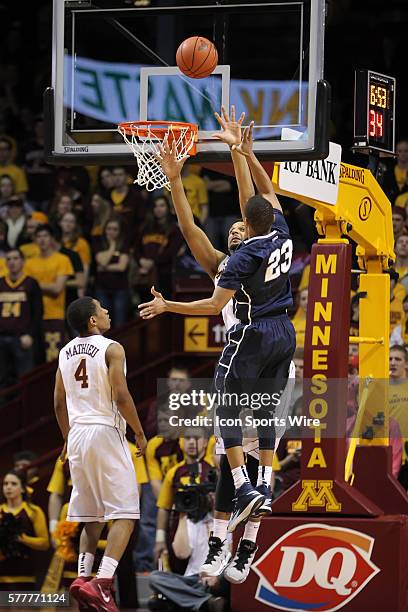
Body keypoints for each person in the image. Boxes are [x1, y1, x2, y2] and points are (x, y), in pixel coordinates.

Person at [140, 107, 295, 581]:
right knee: (233, 462)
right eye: (228, 231)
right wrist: (179, 182)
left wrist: (238, 153)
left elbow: (254, 198)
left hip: (256, 354)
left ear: (250, 231)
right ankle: (227, 544)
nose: (232, 232)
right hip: (271, 349)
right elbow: (190, 229)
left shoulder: (245, 259)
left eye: (237, 229)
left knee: (239, 455)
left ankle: (235, 546)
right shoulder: (228, 260)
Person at [53, 296, 147, 611]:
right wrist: (138, 430)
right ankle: (103, 583)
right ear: (93, 321)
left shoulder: (64, 353)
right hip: (105, 430)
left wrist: (67, 438)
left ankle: (82, 578)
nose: (107, 311)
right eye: (102, 308)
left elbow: (57, 402)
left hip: (77, 435)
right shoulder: (112, 348)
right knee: (126, 513)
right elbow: (121, 394)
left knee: (91, 515)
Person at [25, 224, 73, 361]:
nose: (42, 240)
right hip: (32, 317)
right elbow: (26, 289)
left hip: (54, 315)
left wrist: (36, 285)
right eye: (38, 236)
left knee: (53, 358)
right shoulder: (29, 263)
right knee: (36, 359)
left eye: (45, 236)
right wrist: (45, 286)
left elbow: (57, 289)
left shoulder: (62, 260)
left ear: (52, 239)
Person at [0, 249, 43, 388]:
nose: (12, 262)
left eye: (16, 258)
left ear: (23, 262)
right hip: (1, 338)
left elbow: (38, 313)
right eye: (9, 259)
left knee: (24, 380)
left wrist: (30, 334)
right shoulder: (0, 283)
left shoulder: (31, 283)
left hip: (22, 338)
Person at [0, 470, 49, 591]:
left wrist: (23, 539)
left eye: (13, 484)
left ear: (22, 489)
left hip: (26, 574)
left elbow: (45, 543)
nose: (8, 487)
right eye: (5, 484)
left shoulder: (33, 511)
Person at [133, 194, 184, 301]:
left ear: (168, 208)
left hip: (165, 274)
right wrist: (140, 260)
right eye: (156, 206)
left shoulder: (174, 228)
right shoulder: (145, 227)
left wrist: (153, 262)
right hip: (145, 274)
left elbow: (172, 251)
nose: (158, 209)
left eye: (162, 206)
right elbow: (136, 248)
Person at [93, 217, 131, 327]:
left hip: (120, 288)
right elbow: (103, 261)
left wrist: (103, 268)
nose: (112, 232)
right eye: (109, 229)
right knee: (103, 322)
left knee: (120, 321)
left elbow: (121, 267)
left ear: (119, 231)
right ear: (105, 230)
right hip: (102, 288)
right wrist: (112, 247)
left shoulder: (124, 245)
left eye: (115, 229)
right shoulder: (99, 244)